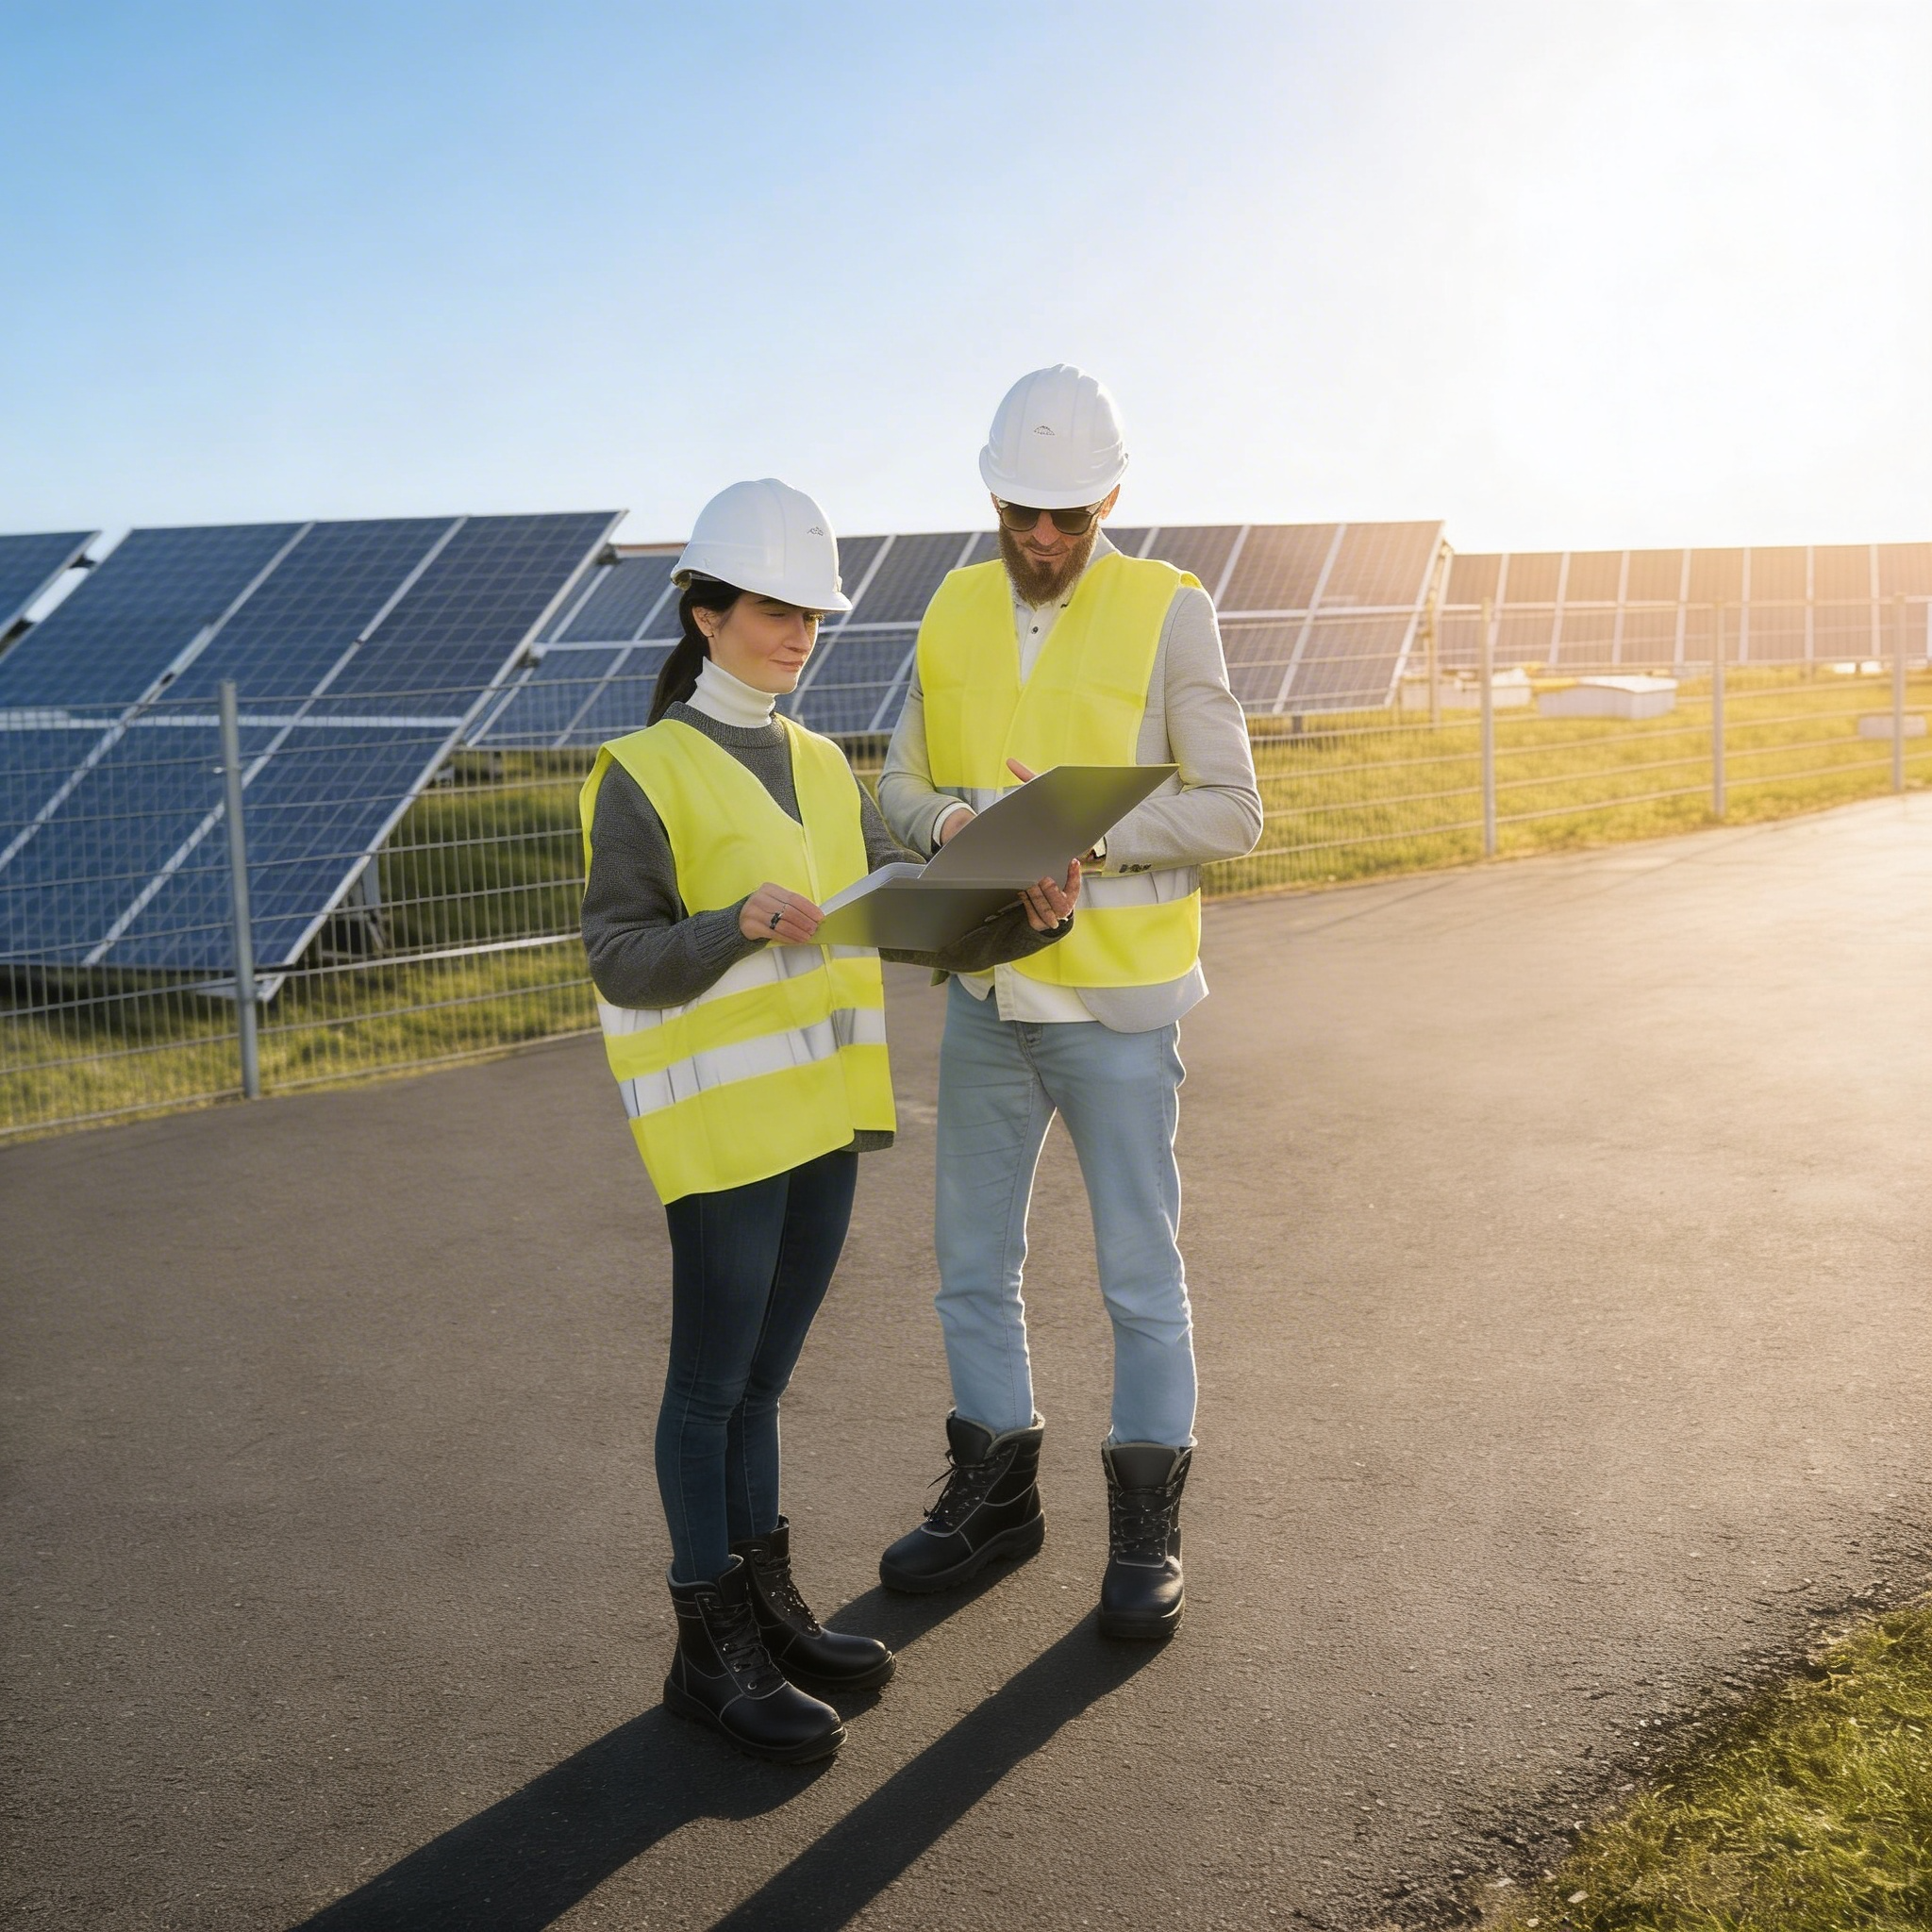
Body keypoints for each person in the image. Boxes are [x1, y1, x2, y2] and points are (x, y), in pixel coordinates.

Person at [579, 478, 1080, 1763]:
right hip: (725, 1135)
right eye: (775, 608)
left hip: (824, 1123)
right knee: (710, 1393)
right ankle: (711, 1648)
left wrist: (1025, 905)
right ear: (704, 613)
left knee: (762, 1387)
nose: (801, 632)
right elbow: (621, 959)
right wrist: (728, 923)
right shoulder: (641, 771)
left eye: (813, 612)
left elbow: (890, 920)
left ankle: (766, 1609)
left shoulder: (818, 760)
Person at [875, 368, 1263, 1641]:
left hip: (1119, 1012)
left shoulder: (1170, 609)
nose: (1042, 540)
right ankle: (996, 1495)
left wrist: (1088, 839)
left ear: (1110, 496)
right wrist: (959, 824)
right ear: (993, 495)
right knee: (970, 1270)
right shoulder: (951, 603)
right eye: (1020, 513)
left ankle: (1146, 1520)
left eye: (1068, 518)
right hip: (989, 993)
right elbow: (900, 785)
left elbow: (1231, 811)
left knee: (1139, 1278)